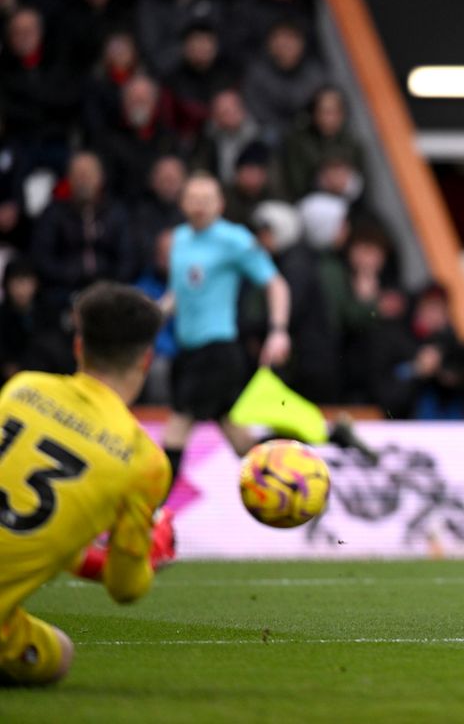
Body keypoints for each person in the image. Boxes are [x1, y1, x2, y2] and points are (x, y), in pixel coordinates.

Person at [0, 282, 171, 684]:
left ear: (79, 345)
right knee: (59, 654)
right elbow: (125, 589)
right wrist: (152, 553)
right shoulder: (143, 460)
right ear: (146, 361)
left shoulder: (23, 388)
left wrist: (86, 560)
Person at [160, 172, 292, 485]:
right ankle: (302, 463)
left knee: (179, 422)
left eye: (207, 200)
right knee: (240, 439)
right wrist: (151, 314)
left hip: (217, 349)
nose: (199, 206)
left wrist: (278, 330)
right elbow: (177, 295)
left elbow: (275, 284)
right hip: (188, 350)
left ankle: (152, 508)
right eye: (193, 199)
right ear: (182, 203)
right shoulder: (179, 239)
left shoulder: (235, 239)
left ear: (220, 204)